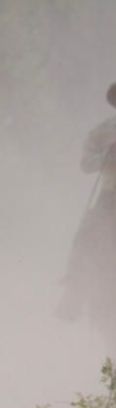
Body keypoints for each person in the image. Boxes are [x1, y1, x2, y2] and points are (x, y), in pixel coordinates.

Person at [57, 82, 116, 321]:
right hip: (112, 196)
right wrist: (106, 156)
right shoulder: (104, 131)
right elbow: (85, 164)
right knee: (85, 235)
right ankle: (73, 295)